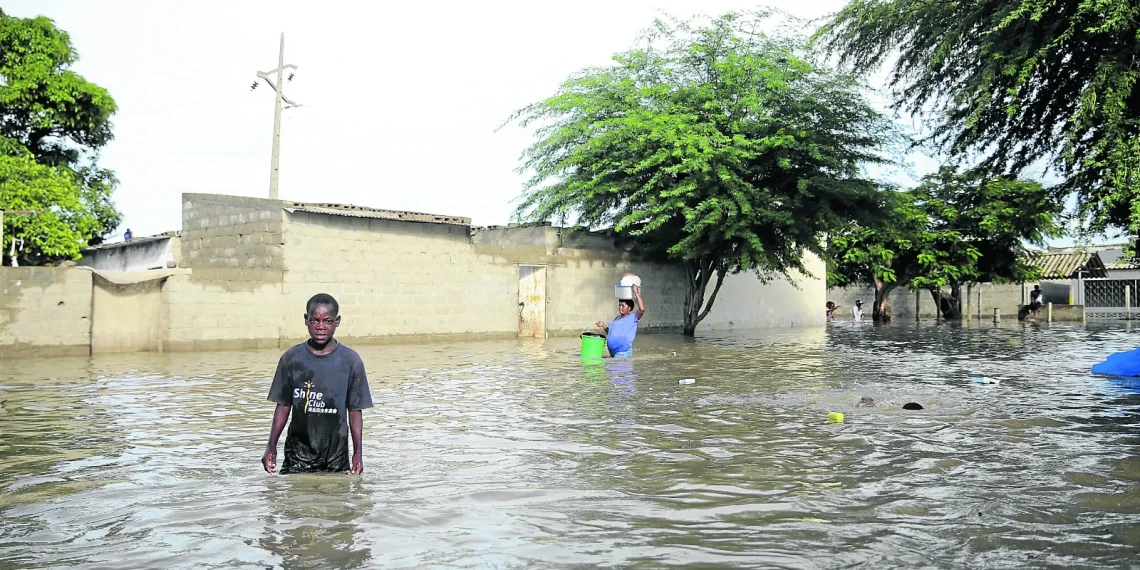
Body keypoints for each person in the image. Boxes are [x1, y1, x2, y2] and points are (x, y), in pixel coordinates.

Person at [262, 293, 373, 475]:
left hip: (336, 457)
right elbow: (283, 406)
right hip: (297, 457)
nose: (320, 327)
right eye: (315, 320)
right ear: (306, 320)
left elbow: (355, 411)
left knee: (335, 501)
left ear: (337, 321)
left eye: (327, 321)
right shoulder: (291, 359)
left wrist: (358, 452)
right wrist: (271, 445)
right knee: (295, 500)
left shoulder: (350, 361)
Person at [595, 285, 646, 358]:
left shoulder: (632, 318)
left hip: (622, 352)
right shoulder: (617, 318)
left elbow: (642, 309)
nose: (620, 308)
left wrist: (636, 292)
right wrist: (603, 325)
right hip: (613, 353)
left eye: (622, 306)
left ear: (629, 308)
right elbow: (612, 333)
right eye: (619, 305)